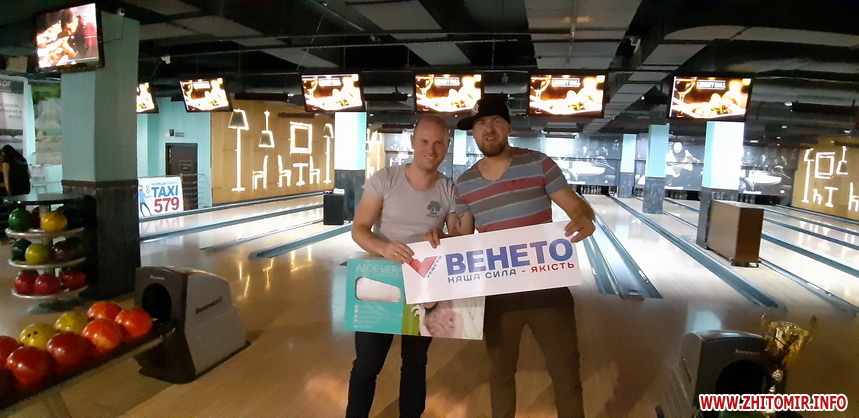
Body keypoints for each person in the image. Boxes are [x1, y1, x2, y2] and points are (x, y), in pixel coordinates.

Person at [437, 97, 596, 417]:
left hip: (547, 288)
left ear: (508, 127)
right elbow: (462, 236)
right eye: (480, 124)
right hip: (499, 293)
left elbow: (575, 205)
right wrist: (436, 239)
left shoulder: (539, 164)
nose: (488, 129)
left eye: (495, 121)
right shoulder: (465, 184)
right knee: (500, 374)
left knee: (565, 372)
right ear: (474, 133)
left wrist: (584, 216)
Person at [346, 114, 457, 418]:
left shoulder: (449, 189)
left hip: (424, 284)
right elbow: (359, 229)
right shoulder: (385, 179)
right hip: (379, 283)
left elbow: (460, 235)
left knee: (415, 363)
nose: (431, 150)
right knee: (367, 364)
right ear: (412, 142)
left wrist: (445, 238)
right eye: (424, 142)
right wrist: (384, 248)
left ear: (447, 146)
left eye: (438, 143)